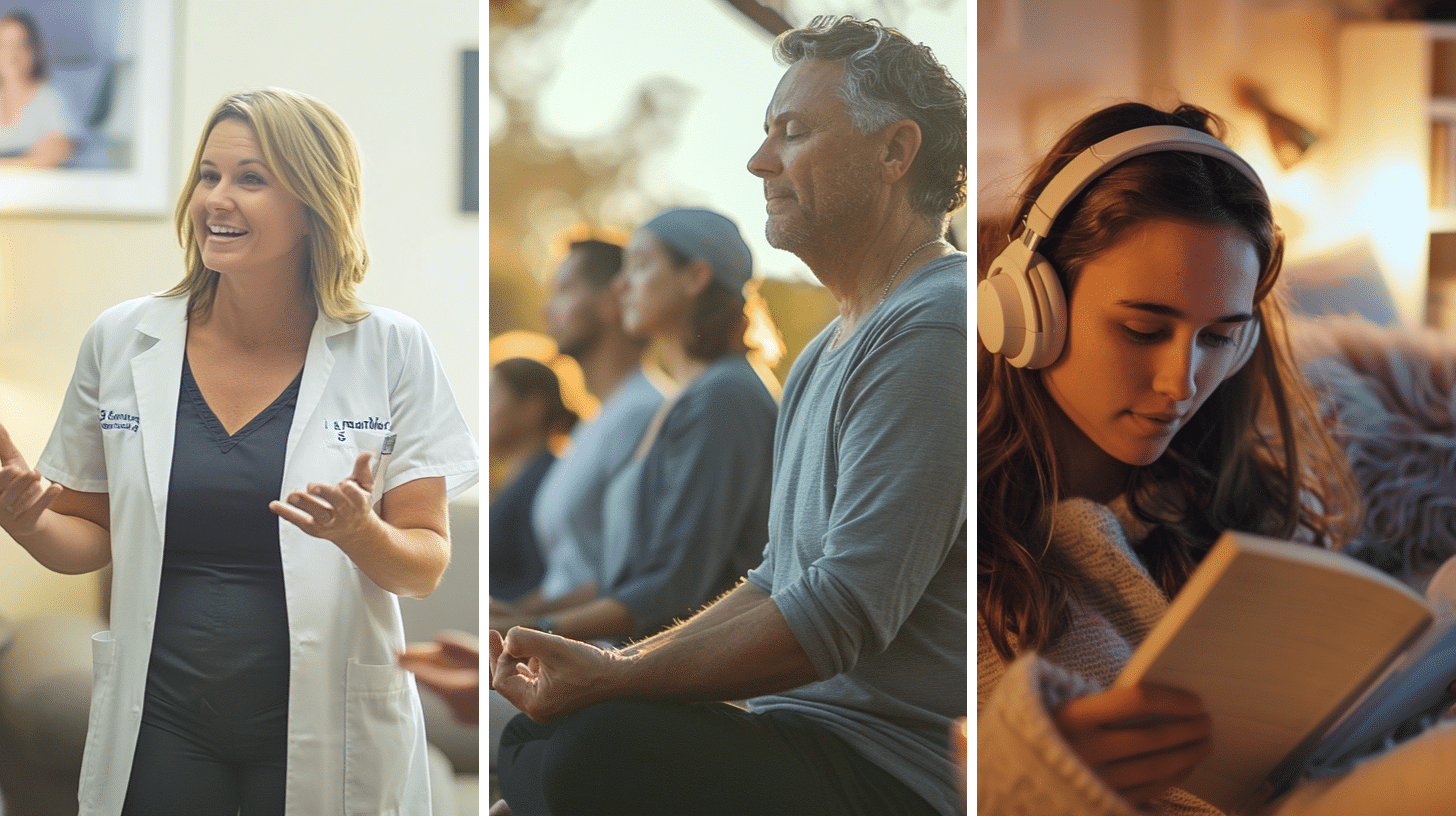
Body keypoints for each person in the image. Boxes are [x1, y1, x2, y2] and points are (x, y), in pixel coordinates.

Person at [491, 15, 966, 816]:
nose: (759, 161)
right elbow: (774, 578)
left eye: (793, 132)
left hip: (891, 772)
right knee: (539, 741)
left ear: (895, 152)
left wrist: (617, 677)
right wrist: (605, 669)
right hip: (798, 731)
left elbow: (842, 610)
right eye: (764, 134)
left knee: (590, 746)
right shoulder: (822, 351)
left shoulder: (934, 327)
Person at [0, 87, 477, 815]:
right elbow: (87, 538)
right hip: (162, 726)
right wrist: (26, 519)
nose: (218, 199)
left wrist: (362, 534)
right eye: (209, 175)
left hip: (322, 725)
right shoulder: (124, 341)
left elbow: (423, 564)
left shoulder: (389, 349)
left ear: (315, 202)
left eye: (251, 178)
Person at [976, 100, 1456, 815]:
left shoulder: (1237, 502)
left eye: (1219, 337)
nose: (1182, 382)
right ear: (1027, 308)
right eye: (1143, 329)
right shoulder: (961, 542)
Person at [493, 206, 777, 645]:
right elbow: (627, 576)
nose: (621, 286)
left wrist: (534, 631)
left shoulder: (724, 396)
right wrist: (520, 615)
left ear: (694, 277)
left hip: (673, 671)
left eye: (641, 265)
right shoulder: (698, 396)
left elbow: (675, 586)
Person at [493, 237, 664, 620]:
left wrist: (523, 623)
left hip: (596, 655)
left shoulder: (648, 414)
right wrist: (510, 614)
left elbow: (634, 578)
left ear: (611, 302)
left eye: (565, 290)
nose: (546, 309)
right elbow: (574, 575)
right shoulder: (594, 424)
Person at [488, 357, 577, 602]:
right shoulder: (518, 478)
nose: (485, 409)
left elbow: (543, 577)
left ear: (532, 407)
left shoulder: (547, 480)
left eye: (493, 397)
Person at [0, 9, 77, 168]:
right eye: (4, 46)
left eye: (20, 45)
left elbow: (57, 151)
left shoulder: (51, 98)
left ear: (36, 52)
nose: (12, 55)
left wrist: (7, 166)